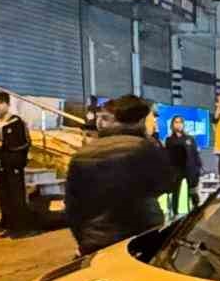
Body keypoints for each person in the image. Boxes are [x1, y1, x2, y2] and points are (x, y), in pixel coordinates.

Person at [65, 95, 179, 255]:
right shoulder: (146, 148)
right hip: (141, 239)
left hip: (96, 241)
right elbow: (167, 183)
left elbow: (73, 206)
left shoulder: (82, 154)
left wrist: (85, 240)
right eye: (152, 118)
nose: (154, 123)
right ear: (141, 120)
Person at [0, 92, 34, 237]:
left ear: (8, 104)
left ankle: (21, 228)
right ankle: (9, 226)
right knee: (4, 197)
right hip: (1, 165)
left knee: (17, 196)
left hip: (14, 165)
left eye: (0, 103)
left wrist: (5, 144)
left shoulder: (17, 122)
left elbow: (25, 143)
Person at [164, 114, 199, 216]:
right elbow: (167, 156)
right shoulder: (169, 140)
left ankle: (196, 211)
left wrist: (197, 168)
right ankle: (175, 213)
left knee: (192, 192)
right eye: (176, 122)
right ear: (172, 125)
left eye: (180, 122)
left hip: (189, 169)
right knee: (175, 192)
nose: (178, 124)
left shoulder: (190, 139)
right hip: (176, 170)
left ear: (183, 124)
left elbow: (195, 154)